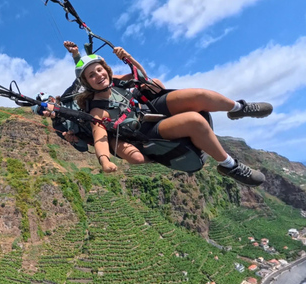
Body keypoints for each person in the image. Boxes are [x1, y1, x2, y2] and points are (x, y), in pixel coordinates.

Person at [67, 47, 271, 186]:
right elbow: (100, 138)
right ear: (87, 83)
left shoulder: (117, 81)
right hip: (144, 129)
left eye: (99, 70)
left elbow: (142, 76)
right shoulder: (97, 110)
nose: (98, 76)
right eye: (91, 76)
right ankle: (230, 166)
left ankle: (237, 108)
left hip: (148, 107)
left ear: (107, 70)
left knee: (198, 95)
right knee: (194, 121)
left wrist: (128, 58)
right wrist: (104, 161)